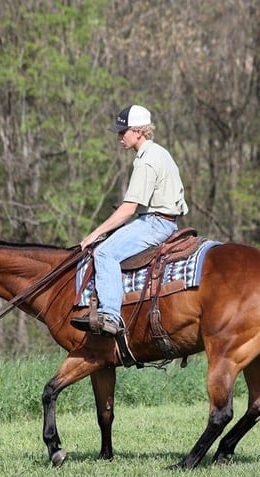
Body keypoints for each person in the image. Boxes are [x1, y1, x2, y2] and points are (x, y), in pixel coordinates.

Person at [71, 104, 189, 336]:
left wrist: (93, 235)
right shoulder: (160, 153)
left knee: (104, 252)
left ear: (138, 131)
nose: (118, 137)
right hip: (165, 220)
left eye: (122, 132)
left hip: (155, 224)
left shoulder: (146, 160)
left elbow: (128, 209)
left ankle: (111, 316)